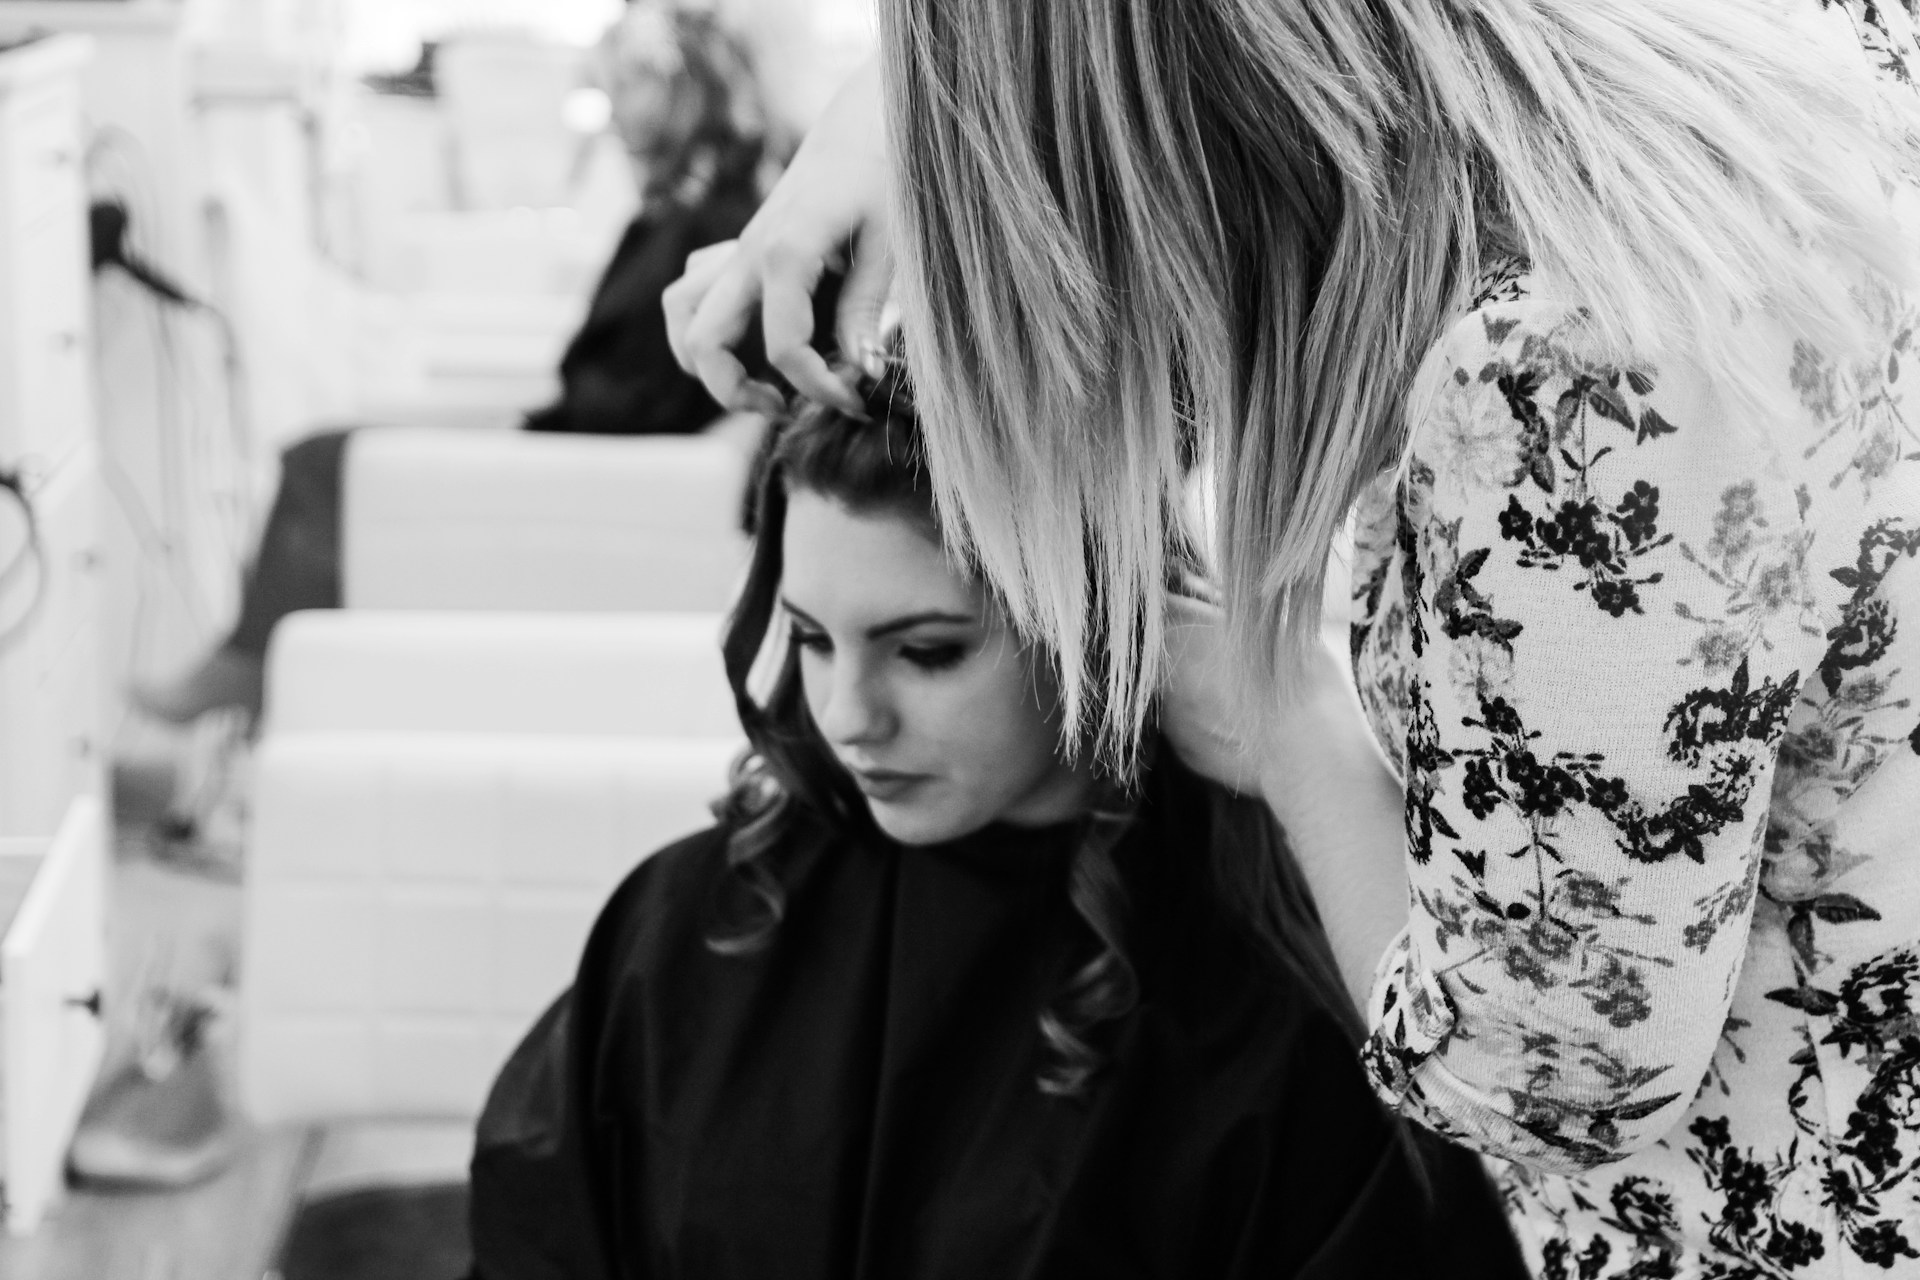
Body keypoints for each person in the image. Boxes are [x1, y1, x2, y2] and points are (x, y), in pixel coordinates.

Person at [662, 2, 1920, 1275]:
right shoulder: (1816, 67)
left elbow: (1549, 1081)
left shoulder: (1570, 360)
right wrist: (897, 116)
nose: (849, 712)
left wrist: (1285, 719)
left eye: (930, 647)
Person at [464, 364, 1527, 1279]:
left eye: (926, 650)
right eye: (812, 638)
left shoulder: (1257, 1009)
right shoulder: (695, 920)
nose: (848, 717)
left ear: (1094, 625)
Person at [134, 2, 780, 724]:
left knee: (319, 466)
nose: (611, 110)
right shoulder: (684, 215)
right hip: (582, 449)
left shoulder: (715, 228)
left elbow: (644, 398)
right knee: (325, 452)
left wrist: (529, 422)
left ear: (681, 91)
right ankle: (257, 674)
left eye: (628, 87)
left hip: (598, 477)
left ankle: (250, 672)